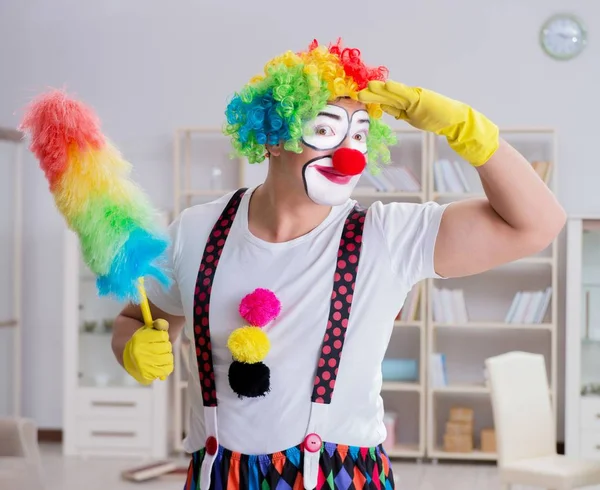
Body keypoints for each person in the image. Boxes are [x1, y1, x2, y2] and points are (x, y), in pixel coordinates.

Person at [111, 39, 565, 489]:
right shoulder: (195, 230)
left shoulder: (388, 236)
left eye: (360, 135)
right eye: (326, 132)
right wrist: (132, 345)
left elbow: (537, 225)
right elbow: (138, 318)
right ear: (272, 138)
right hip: (218, 475)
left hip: (343, 477)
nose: (348, 155)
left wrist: (467, 130)